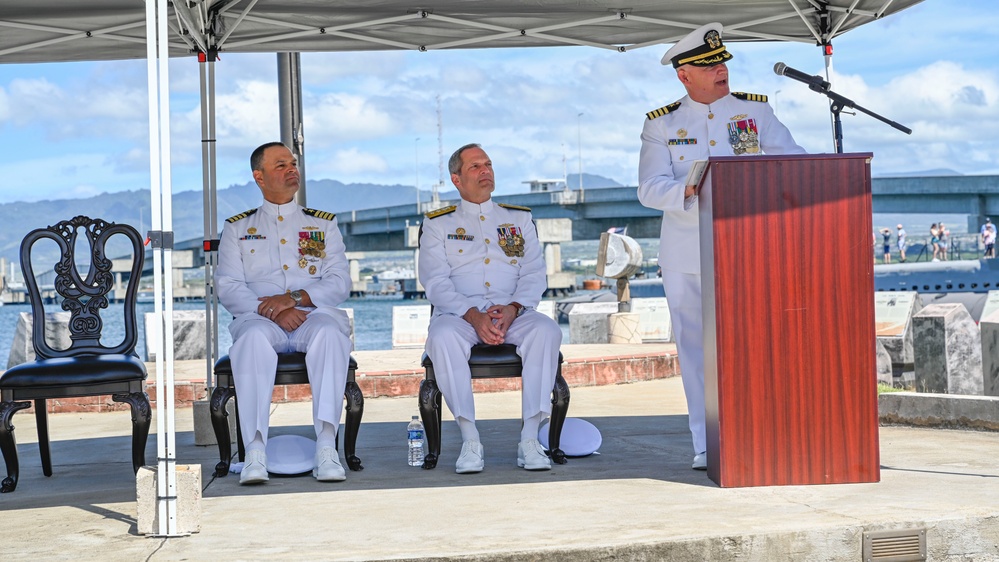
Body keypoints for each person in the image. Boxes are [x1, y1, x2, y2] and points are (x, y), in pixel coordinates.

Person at [637, 22, 806, 471]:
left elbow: (795, 163)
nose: (721, 71)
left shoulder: (756, 114)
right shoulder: (662, 126)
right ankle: (705, 441)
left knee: (758, 345)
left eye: (723, 62)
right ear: (684, 75)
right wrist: (690, 191)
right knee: (695, 351)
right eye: (709, 66)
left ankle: (763, 432)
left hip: (750, 252)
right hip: (687, 255)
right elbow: (650, 189)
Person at [418, 143, 562, 474]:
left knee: (546, 330)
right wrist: (473, 315)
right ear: (456, 178)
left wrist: (513, 308)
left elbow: (533, 273)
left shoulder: (519, 219)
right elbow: (435, 281)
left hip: (512, 314)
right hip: (460, 317)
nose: (485, 171)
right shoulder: (439, 223)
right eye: (475, 167)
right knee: (441, 337)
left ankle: (530, 439)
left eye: (488, 165)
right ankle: (470, 439)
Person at [216, 141, 354, 485]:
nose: (292, 169)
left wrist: (294, 298)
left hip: (310, 314)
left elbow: (339, 282)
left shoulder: (323, 224)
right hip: (261, 320)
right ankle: (255, 452)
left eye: (293, 163)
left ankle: (326, 447)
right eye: (281, 165)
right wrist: (273, 311)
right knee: (248, 340)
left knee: (331, 334)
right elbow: (228, 286)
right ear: (259, 177)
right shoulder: (237, 228)